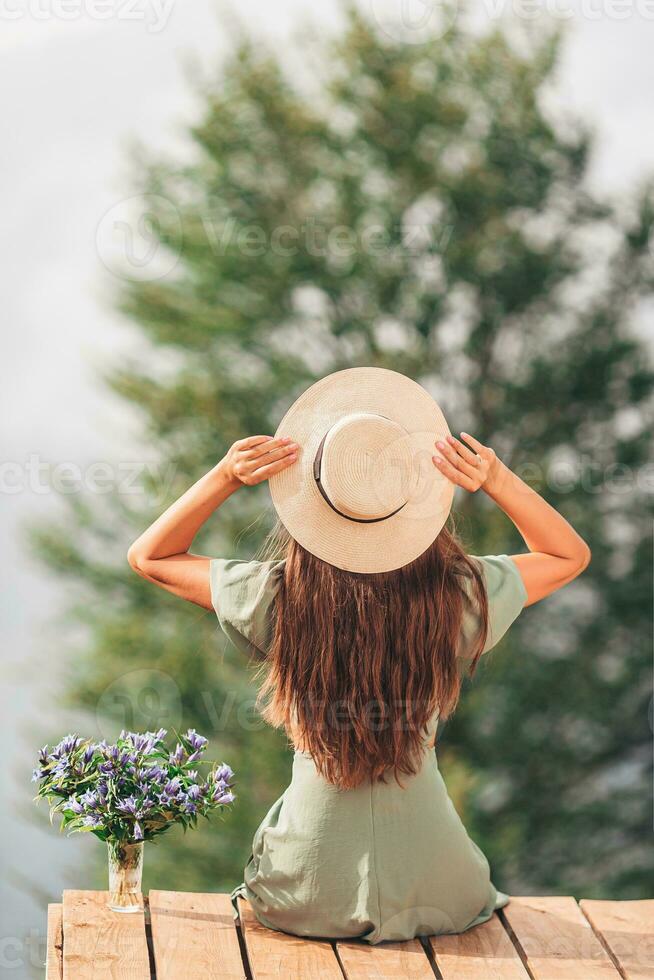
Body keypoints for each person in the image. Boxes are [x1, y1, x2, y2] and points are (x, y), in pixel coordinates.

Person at [127, 367, 590, 944]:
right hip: (438, 887)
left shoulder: (277, 596)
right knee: (467, 881)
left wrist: (224, 477)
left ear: (312, 505)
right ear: (414, 498)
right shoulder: (458, 596)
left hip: (307, 888)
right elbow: (567, 555)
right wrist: (495, 478)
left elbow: (150, 557)